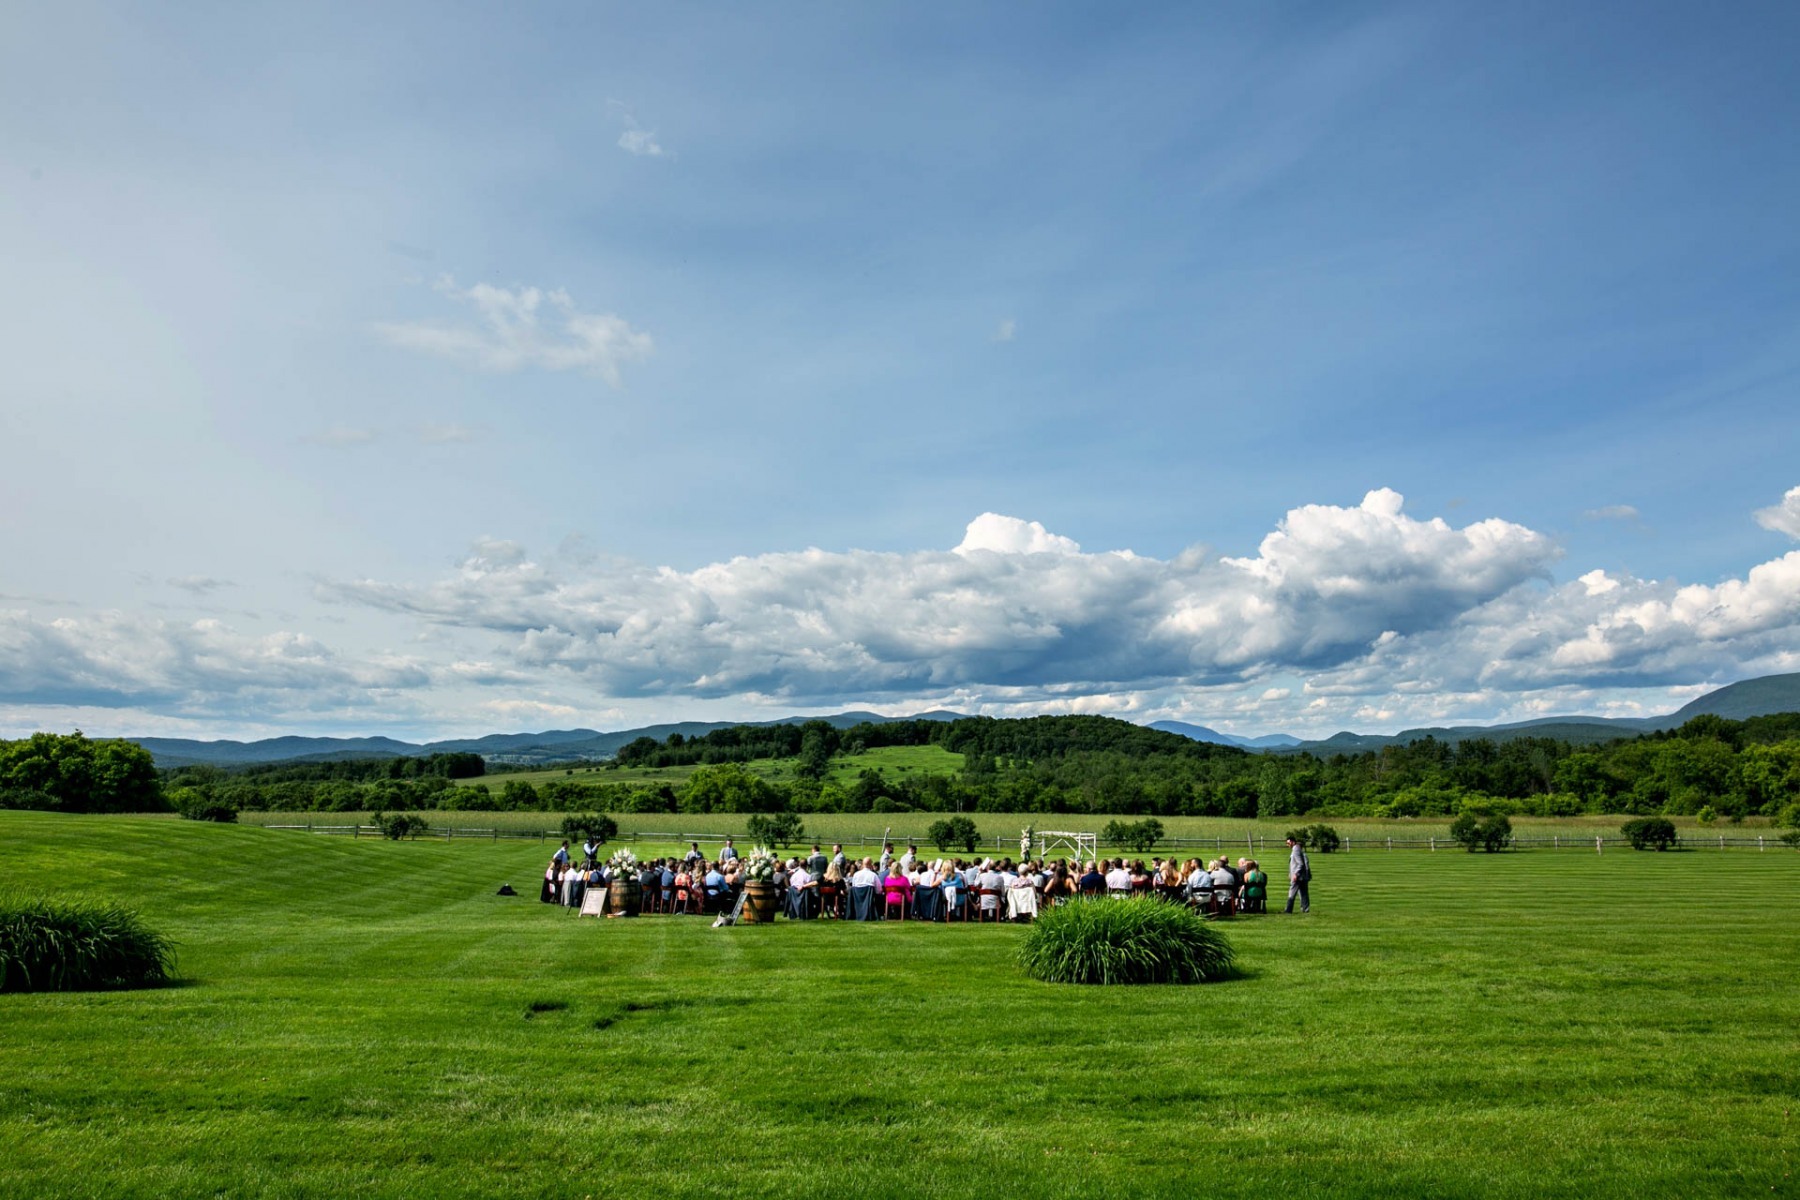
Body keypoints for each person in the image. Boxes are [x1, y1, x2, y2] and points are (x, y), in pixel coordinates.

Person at [1286, 836, 1311, 914]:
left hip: (1298, 877)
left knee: (1292, 892)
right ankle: (1305, 909)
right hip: (1301, 876)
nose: (1287, 845)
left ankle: (1288, 910)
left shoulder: (1296, 850)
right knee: (1303, 893)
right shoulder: (1297, 849)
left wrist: (1295, 874)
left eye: (1288, 843)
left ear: (1293, 842)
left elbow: (1300, 864)